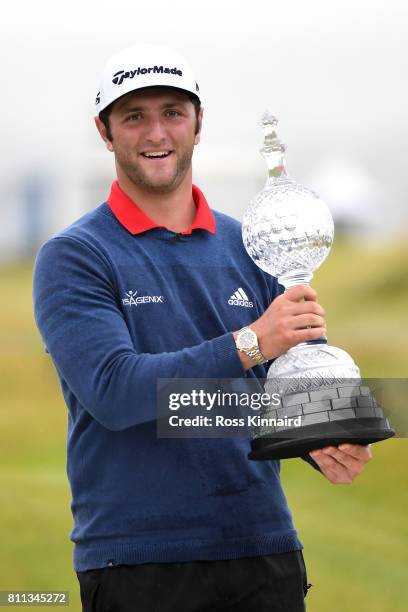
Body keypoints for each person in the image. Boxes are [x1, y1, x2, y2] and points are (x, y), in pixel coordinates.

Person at [32, 44, 372, 612]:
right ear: (105, 131)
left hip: (262, 547)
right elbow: (115, 392)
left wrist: (325, 438)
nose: (155, 132)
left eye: (172, 112)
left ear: (198, 124)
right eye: (134, 116)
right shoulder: (76, 255)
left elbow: (283, 384)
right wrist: (251, 342)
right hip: (138, 558)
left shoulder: (253, 245)